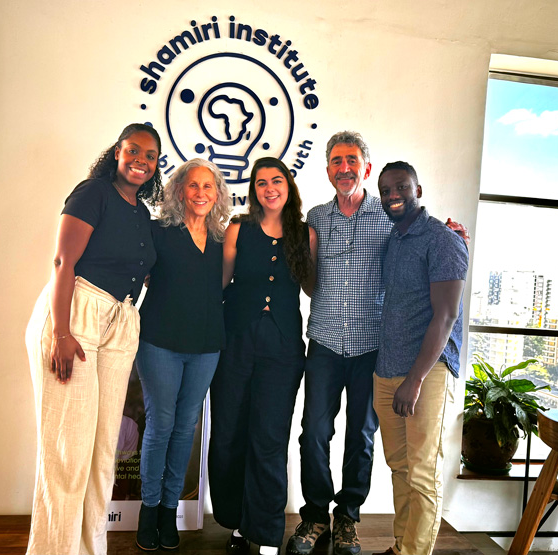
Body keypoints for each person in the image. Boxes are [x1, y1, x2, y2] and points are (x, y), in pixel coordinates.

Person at [288, 132, 468, 555]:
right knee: (313, 431)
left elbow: (422, 238)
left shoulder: (387, 217)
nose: (344, 167)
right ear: (328, 170)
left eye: (352, 160)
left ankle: (348, 518)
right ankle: (315, 516)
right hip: (327, 342)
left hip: (374, 347)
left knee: (362, 437)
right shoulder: (315, 218)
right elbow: (311, 284)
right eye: (336, 161)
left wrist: (452, 233)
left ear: (365, 167)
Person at [24, 123, 163, 555]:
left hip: (119, 322)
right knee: (68, 452)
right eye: (133, 151)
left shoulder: (141, 211)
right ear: (116, 153)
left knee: (104, 452)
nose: (141, 160)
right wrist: (61, 332)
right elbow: (64, 261)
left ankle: (90, 550)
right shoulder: (93, 193)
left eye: (151, 156)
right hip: (77, 314)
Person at [209, 157, 317, 555]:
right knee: (230, 433)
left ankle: (268, 532)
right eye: (260, 182)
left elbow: (311, 288)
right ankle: (237, 524)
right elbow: (218, 283)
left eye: (276, 180)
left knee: (270, 439)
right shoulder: (239, 228)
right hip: (234, 342)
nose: (268, 187)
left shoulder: (305, 235)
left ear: (288, 185)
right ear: (253, 189)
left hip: (283, 349)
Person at [135, 159, 231, 551]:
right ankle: (149, 509)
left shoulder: (224, 240)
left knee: (185, 427)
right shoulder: (158, 232)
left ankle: (170, 508)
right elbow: (136, 273)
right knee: (161, 423)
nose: (201, 193)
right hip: (159, 341)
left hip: (206, 345)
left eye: (208, 187)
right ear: (179, 191)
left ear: (218, 194)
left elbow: (222, 286)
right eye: (193, 186)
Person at [373, 162, 467, 555]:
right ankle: (401, 546)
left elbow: (446, 315)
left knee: (424, 472)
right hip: (387, 370)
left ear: (419, 190)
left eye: (401, 187)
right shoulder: (394, 239)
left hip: (426, 374)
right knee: (401, 469)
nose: (393, 195)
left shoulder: (442, 239)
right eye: (386, 190)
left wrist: (414, 380)